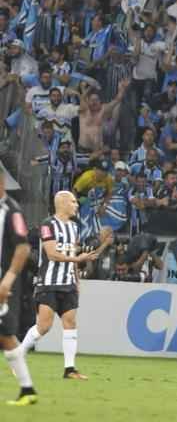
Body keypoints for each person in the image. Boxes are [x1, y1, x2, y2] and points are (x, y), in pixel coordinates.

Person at [20, 191, 100, 380]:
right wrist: (78, 259)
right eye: (73, 202)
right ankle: (19, 354)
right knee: (44, 326)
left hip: (68, 283)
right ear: (62, 203)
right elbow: (52, 254)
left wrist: (76, 279)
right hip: (49, 282)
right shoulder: (48, 224)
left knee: (70, 322)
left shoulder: (74, 227)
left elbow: (71, 254)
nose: (76, 205)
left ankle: (69, 369)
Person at [0, 164, 38, 406]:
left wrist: (8, 279)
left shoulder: (12, 211)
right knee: (5, 337)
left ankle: (27, 389)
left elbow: (23, 247)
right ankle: (27, 389)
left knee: (6, 335)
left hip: (3, 283)